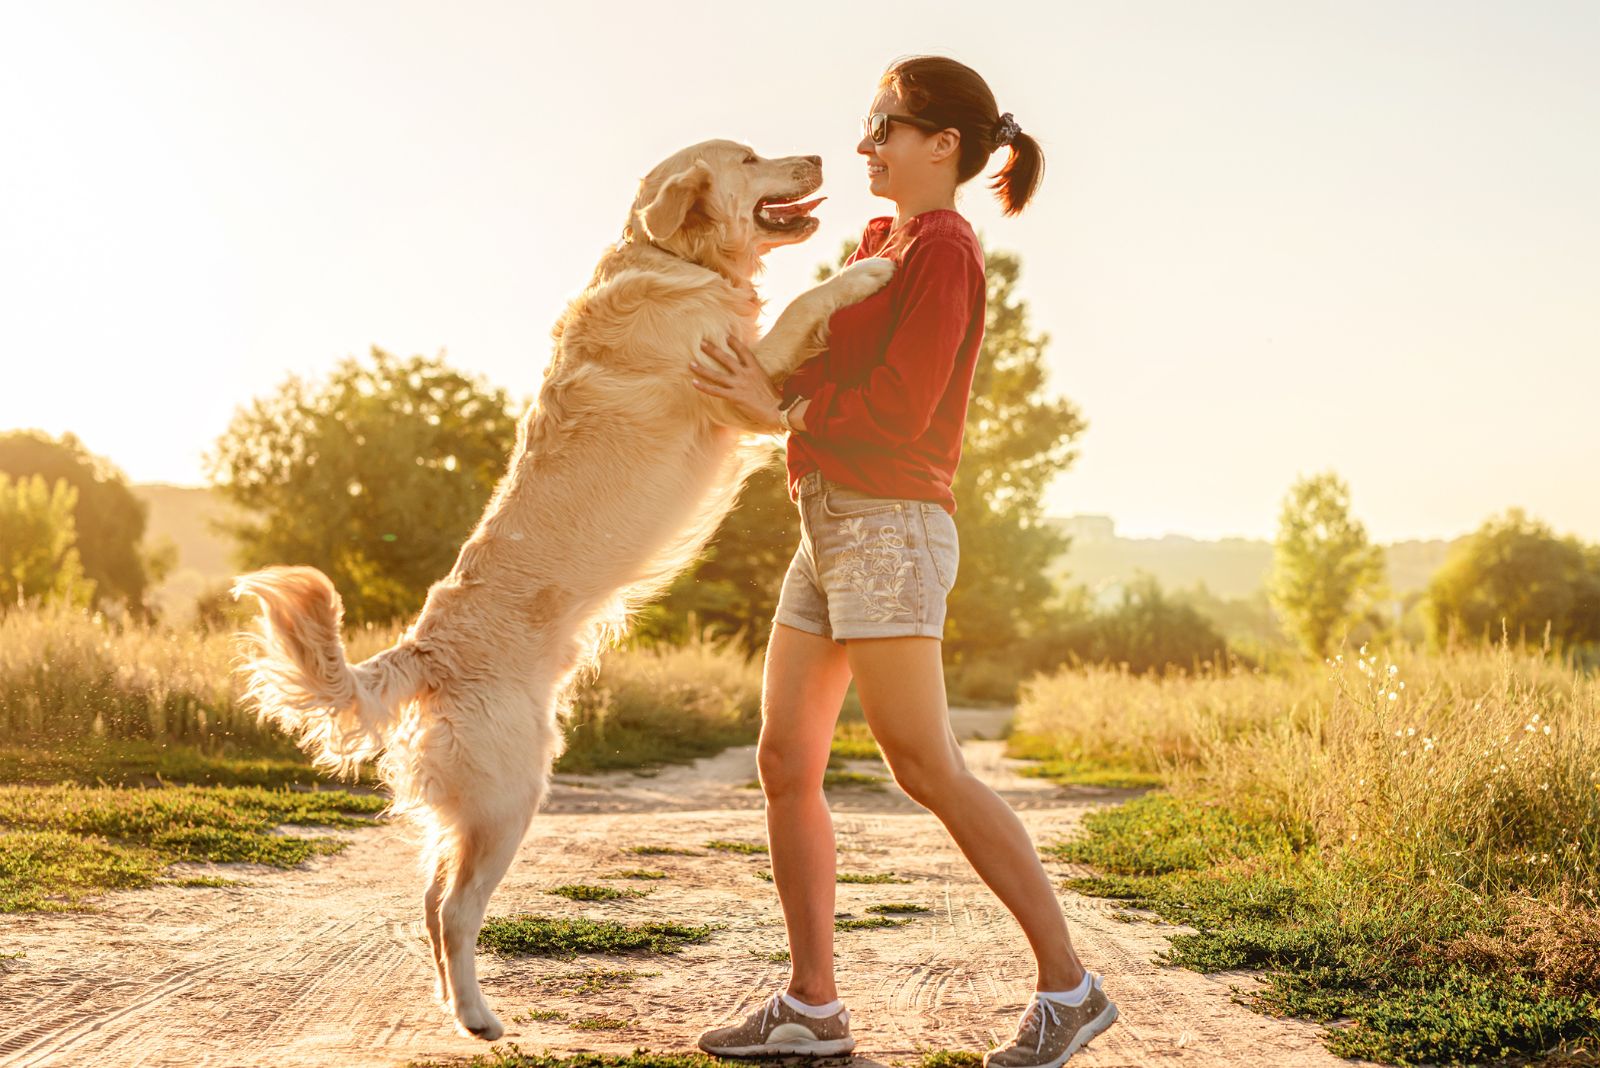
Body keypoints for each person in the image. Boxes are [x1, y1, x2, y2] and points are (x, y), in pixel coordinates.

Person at [686, 55, 1118, 1068]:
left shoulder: (948, 250)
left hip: (889, 519)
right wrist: (750, 373)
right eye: (868, 124)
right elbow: (814, 369)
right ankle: (812, 1007)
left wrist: (778, 409)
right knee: (785, 760)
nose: (864, 144)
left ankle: (1071, 986)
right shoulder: (880, 240)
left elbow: (901, 410)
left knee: (923, 762)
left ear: (943, 145)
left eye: (883, 126)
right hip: (827, 519)